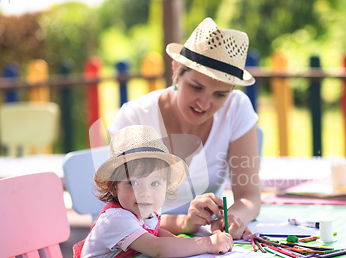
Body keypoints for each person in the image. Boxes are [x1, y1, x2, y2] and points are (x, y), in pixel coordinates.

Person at [107, 18, 261, 240]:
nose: (204, 103)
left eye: (220, 94)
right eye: (196, 87)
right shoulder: (134, 118)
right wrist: (185, 223)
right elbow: (124, 215)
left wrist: (232, 219)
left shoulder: (237, 108)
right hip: (142, 247)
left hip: (206, 248)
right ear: (176, 72)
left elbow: (249, 196)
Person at [69, 125, 233, 258]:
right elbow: (157, 248)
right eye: (133, 183)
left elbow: (157, 232)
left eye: (154, 183)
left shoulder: (145, 210)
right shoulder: (116, 218)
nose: (145, 192)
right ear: (113, 187)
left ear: (166, 185)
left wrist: (180, 243)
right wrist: (208, 243)